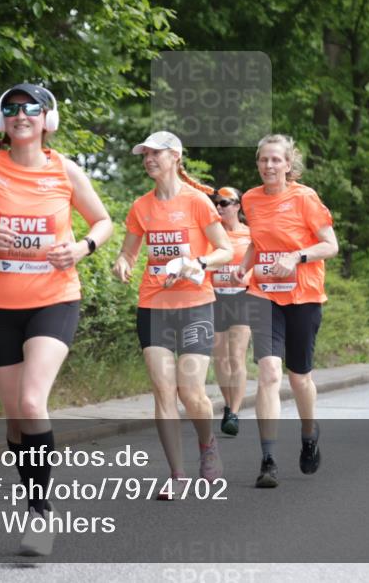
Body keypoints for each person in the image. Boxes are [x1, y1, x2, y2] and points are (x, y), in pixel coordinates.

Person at [0, 83, 113, 555]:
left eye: (30, 108)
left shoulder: (65, 170)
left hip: (54, 300)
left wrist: (80, 247)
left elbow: (103, 222)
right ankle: (32, 491)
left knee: (33, 403)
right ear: (2, 121)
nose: (21, 115)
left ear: (46, 120)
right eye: (11, 109)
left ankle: (40, 512)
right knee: (16, 419)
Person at [112, 131, 233, 498]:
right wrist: (122, 263)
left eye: (155, 154)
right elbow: (129, 253)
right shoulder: (141, 207)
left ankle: (207, 443)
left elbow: (225, 250)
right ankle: (176, 475)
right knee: (163, 392)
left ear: (175, 157)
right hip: (153, 306)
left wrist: (196, 261)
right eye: (144, 155)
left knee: (191, 390)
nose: (148, 159)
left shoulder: (197, 202)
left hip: (195, 304)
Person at [233, 134, 338, 488]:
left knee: (299, 378)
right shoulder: (250, 199)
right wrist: (244, 265)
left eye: (276, 160)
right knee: (269, 373)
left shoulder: (305, 197)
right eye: (263, 159)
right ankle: (268, 459)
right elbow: (257, 242)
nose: (269, 166)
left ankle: (309, 434)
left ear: (288, 165)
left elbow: (330, 245)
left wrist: (297, 256)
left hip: (304, 296)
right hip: (263, 294)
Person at [210, 186, 253, 436]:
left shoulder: (250, 234)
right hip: (215, 297)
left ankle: (234, 412)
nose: (219, 207)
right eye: (216, 202)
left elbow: (260, 262)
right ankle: (228, 404)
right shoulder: (211, 235)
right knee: (220, 359)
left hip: (242, 298)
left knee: (236, 357)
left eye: (225, 203)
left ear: (237, 206)